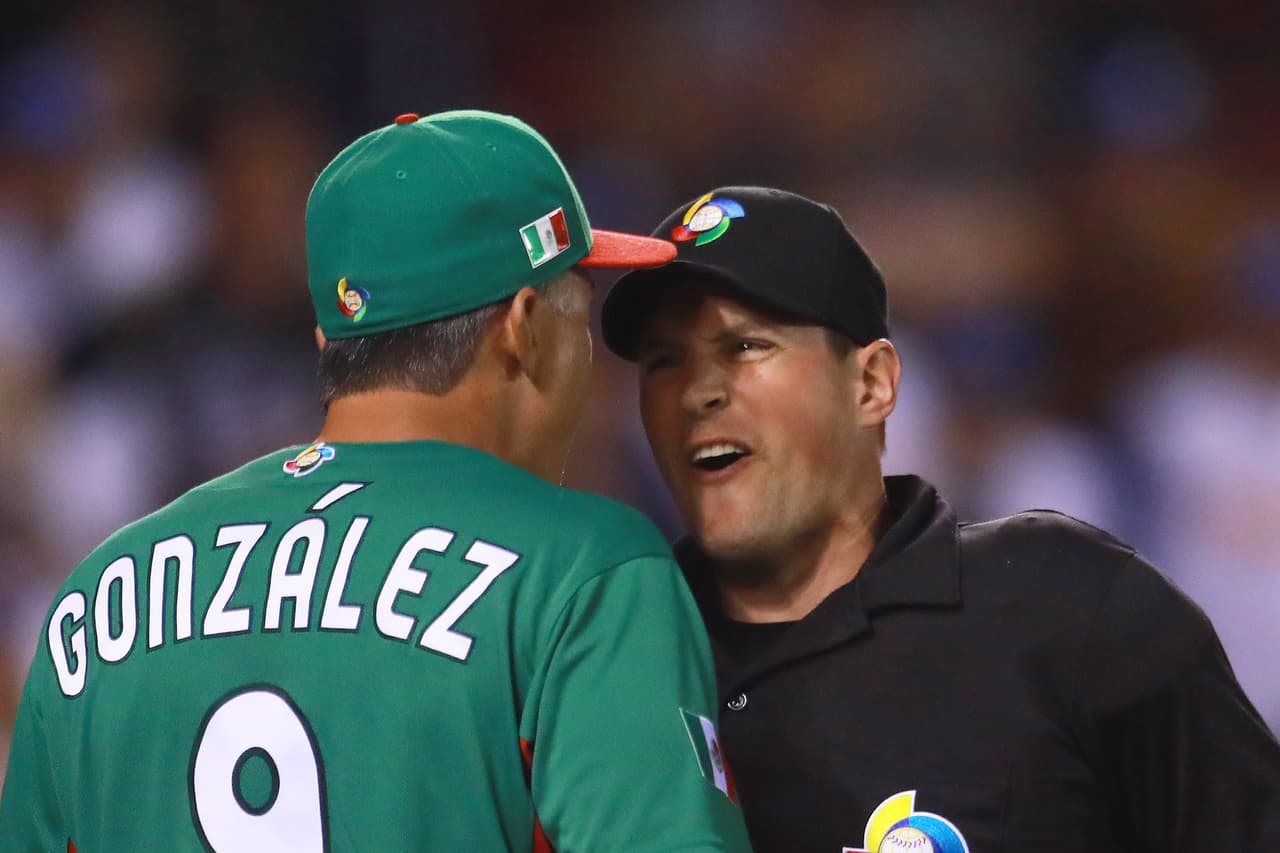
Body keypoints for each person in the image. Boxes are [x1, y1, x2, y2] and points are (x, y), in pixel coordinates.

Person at [0, 111, 753, 853]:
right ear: (525, 325)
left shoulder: (97, 599)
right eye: (578, 314)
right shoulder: (581, 571)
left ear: (331, 338)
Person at [600, 185, 1280, 853]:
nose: (698, 390)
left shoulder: (1065, 608)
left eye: (746, 347)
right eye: (665, 360)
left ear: (871, 384)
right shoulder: (606, 662)